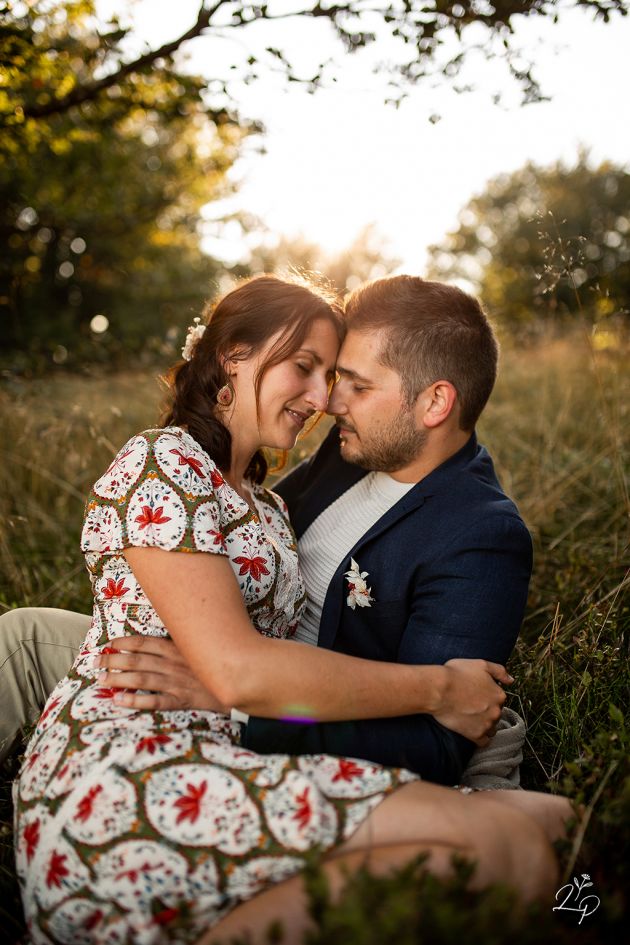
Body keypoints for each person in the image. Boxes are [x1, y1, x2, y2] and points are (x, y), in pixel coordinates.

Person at [14, 273, 567, 945]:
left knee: (556, 828)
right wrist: (224, 679)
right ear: (232, 355)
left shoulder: (478, 533)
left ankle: (584, 912)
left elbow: (436, 743)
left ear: (434, 403)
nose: (329, 401)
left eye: (350, 382)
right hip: (170, 698)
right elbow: (225, 618)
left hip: (266, 711)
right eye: (322, 373)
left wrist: (239, 704)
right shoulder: (338, 449)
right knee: (22, 635)